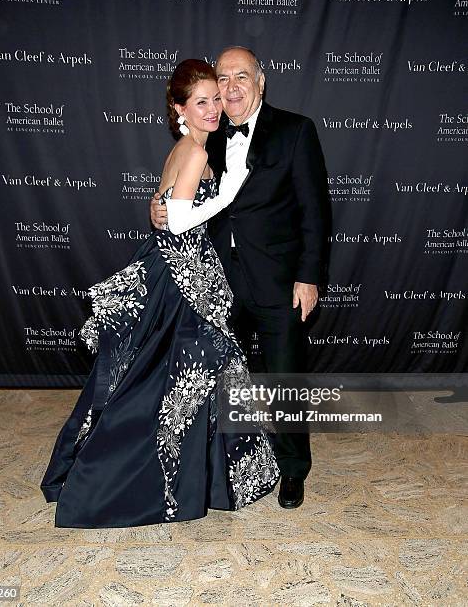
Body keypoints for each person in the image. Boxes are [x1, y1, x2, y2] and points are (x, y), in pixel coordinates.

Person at [40, 59, 280, 528]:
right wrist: (228, 191)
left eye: (216, 99)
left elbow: (167, 211)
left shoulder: (186, 149)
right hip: (182, 280)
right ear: (179, 109)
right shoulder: (193, 153)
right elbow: (182, 218)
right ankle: (133, 481)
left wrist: (172, 209)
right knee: (174, 384)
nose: (213, 109)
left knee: (176, 381)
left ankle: (199, 476)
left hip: (181, 268)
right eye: (201, 102)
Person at [151, 47, 329, 510]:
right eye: (223, 78)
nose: (230, 88)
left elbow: (315, 212)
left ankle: (293, 471)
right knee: (220, 383)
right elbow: (178, 188)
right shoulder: (207, 128)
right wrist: (159, 208)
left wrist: (308, 277)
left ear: (261, 82)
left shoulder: (295, 131)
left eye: (241, 77)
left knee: (284, 378)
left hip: (277, 282)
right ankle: (220, 469)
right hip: (216, 283)